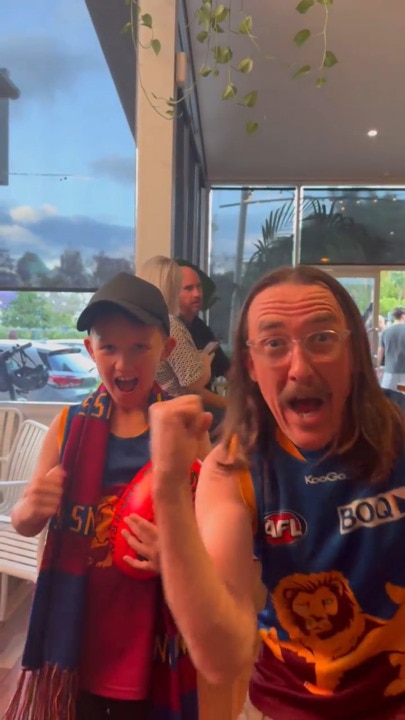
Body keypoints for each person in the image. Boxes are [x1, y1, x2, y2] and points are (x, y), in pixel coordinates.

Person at [149, 265, 405, 720]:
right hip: (286, 708)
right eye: (274, 344)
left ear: (355, 350)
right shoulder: (234, 468)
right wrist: (168, 491)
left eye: (322, 337)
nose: (299, 367)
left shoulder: (400, 436)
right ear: (250, 364)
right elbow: (222, 657)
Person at [7, 272, 205, 720]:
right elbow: (24, 523)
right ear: (90, 350)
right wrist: (29, 507)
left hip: (152, 631)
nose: (123, 362)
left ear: (166, 350)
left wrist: (174, 553)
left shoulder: (183, 430)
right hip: (79, 633)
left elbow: (211, 536)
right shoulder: (69, 427)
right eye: (110, 347)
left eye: (140, 346)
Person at [139, 256, 212, 397]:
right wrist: (205, 362)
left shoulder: (140, 323)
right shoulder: (169, 326)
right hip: (173, 409)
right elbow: (193, 382)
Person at [178, 264, 231, 427]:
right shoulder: (173, 330)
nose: (197, 294)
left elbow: (226, 367)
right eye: (188, 288)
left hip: (206, 407)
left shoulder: (200, 327)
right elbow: (193, 389)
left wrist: (252, 391)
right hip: (186, 411)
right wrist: (232, 405)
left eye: (198, 287)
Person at [378, 306, 405, 391]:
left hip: (389, 372)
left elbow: (380, 351)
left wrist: (378, 366)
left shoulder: (385, 331)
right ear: (403, 316)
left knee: (389, 398)